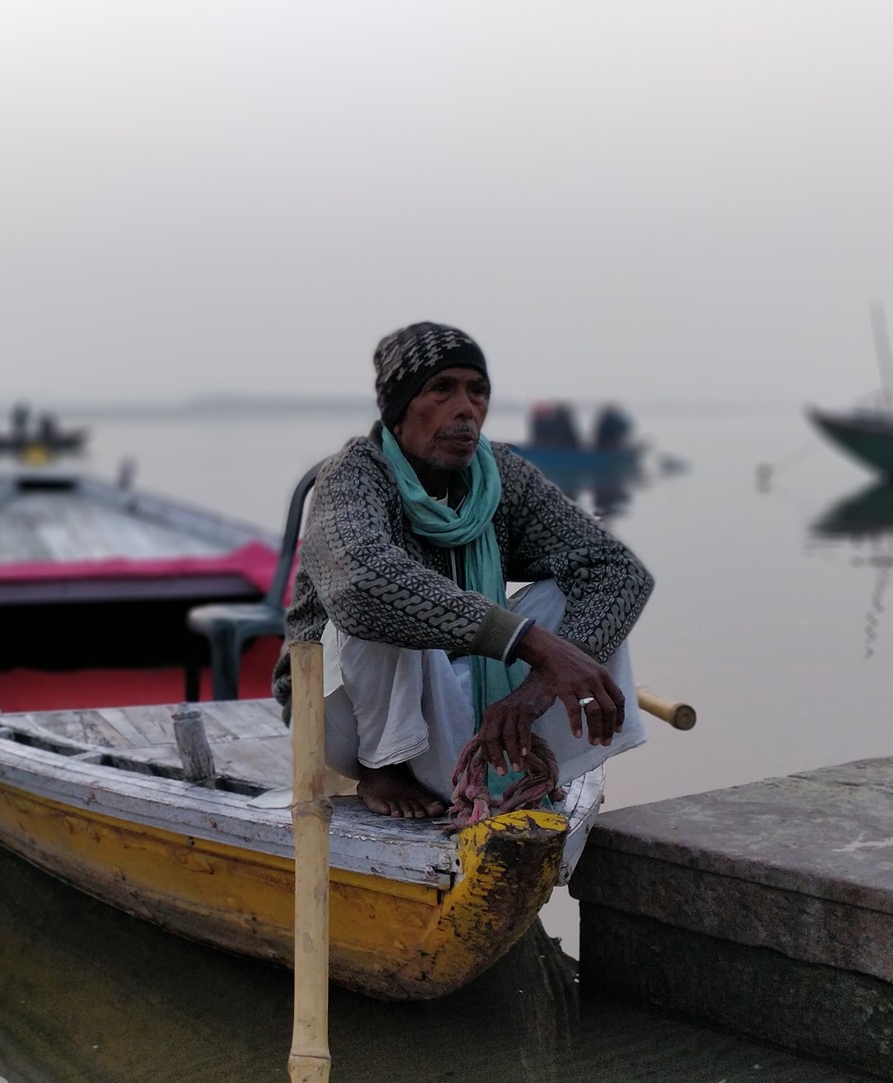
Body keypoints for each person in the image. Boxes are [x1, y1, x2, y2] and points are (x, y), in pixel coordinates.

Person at [271, 322, 653, 823]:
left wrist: (535, 691)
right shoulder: (355, 474)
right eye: (441, 389)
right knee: (378, 604)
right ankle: (383, 768)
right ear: (399, 409)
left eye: (477, 391)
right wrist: (534, 644)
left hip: (450, 695)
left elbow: (618, 569)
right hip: (341, 719)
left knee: (583, 595)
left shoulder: (500, 477)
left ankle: (511, 758)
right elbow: (360, 582)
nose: (465, 408)